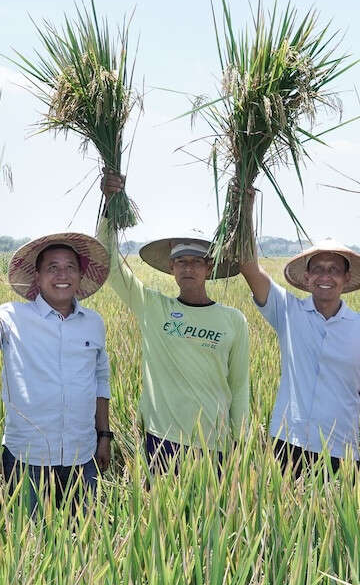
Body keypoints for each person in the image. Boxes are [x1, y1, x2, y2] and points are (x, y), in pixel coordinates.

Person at [98, 173, 250, 474]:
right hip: (161, 440)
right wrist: (109, 206)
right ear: (171, 268)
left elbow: (240, 386)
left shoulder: (233, 320)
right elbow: (111, 267)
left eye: (197, 261)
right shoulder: (153, 307)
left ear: (209, 267)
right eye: (182, 261)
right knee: (164, 519)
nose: (189, 268)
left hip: (214, 442)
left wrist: (240, 443)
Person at [0, 233, 112, 515]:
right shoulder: (12, 317)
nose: (62, 274)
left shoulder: (93, 323)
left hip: (82, 454)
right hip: (27, 457)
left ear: (80, 274)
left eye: (70, 267)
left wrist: (104, 437)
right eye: (52, 267)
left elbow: (100, 380)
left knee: (85, 542)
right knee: (28, 545)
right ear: (37, 277)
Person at [233, 190, 360, 476]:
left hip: (341, 448)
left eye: (334, 270)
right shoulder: (288, 312)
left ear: (346, 278)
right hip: (287, 444)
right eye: (318, 270)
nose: (325, 277)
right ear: (307, 277)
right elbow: (248, 266)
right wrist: (245, 204)